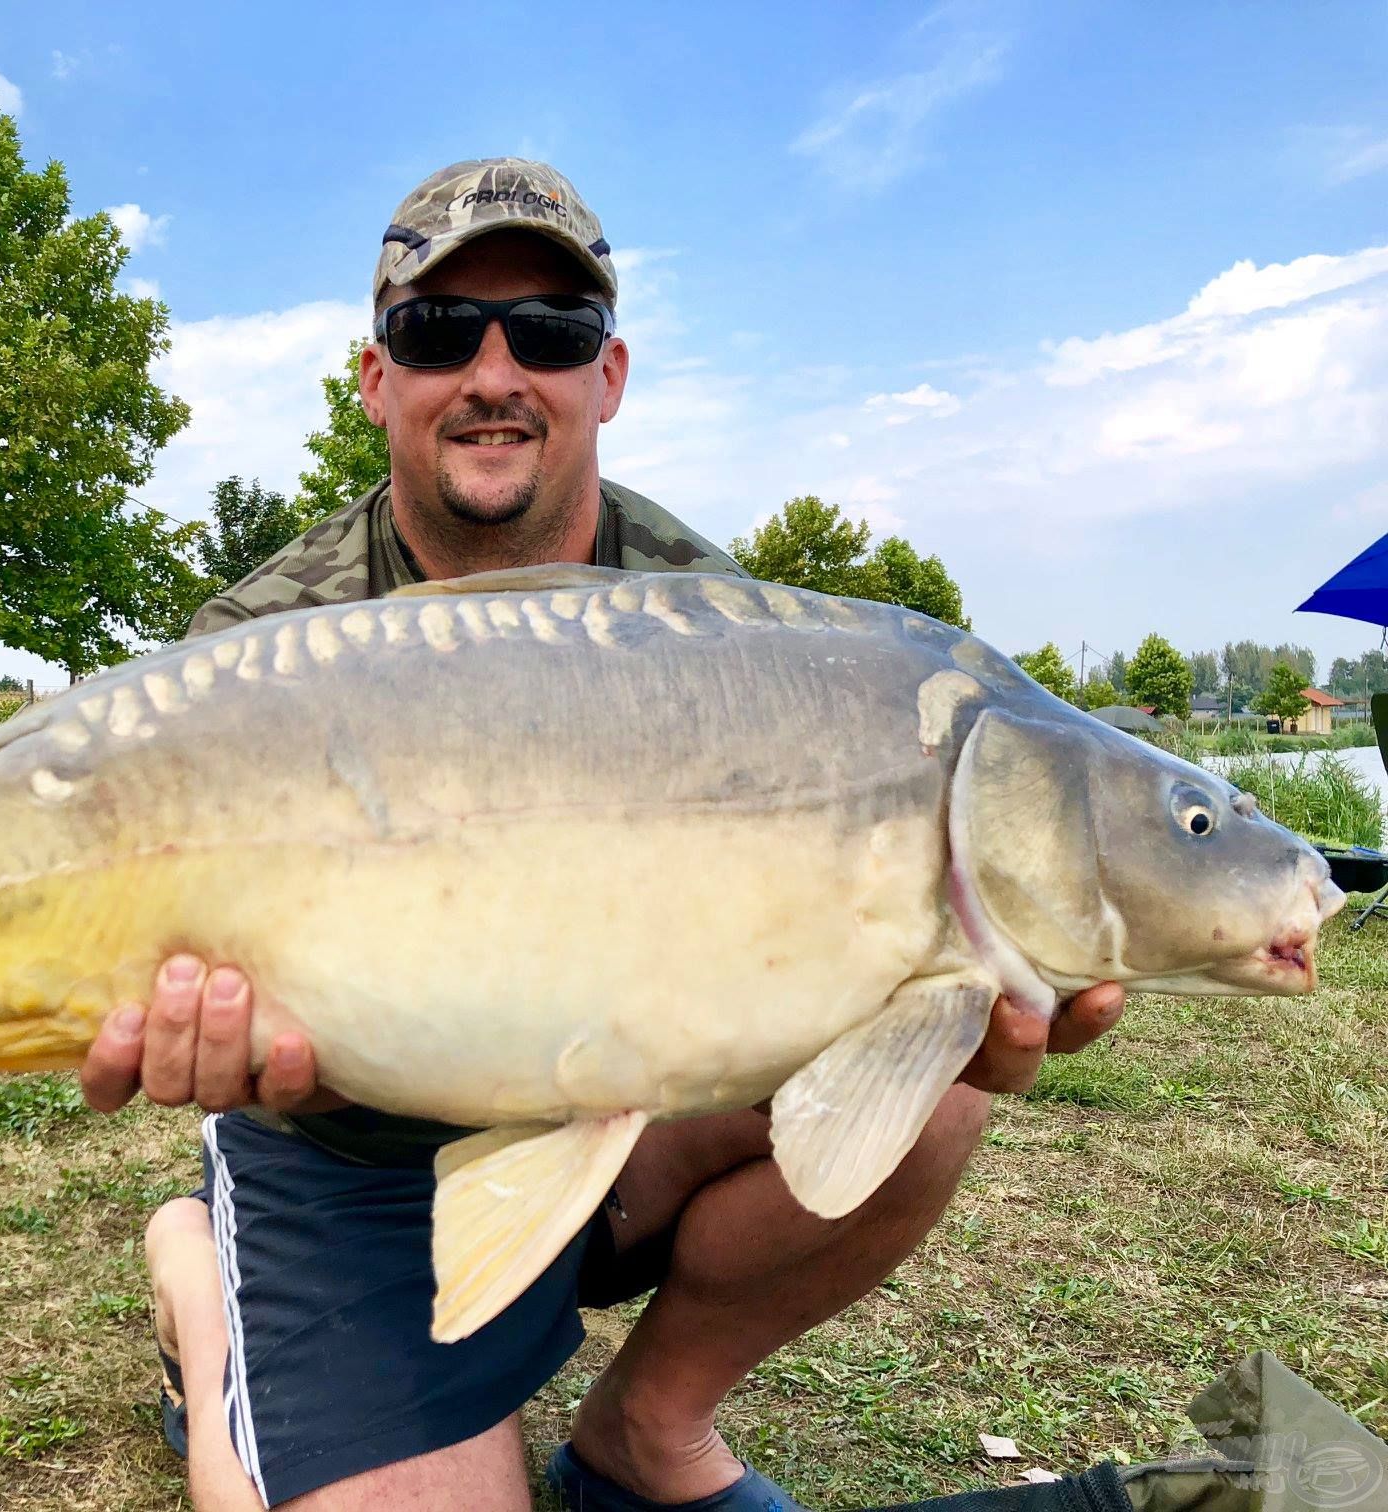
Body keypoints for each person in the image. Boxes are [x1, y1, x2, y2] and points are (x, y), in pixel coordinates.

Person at [77, 158, 1126, 1512]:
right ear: (377, 378)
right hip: (352, 1151)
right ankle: (199, 1279)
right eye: (442, 330)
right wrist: (261, 1051)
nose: (497, 371)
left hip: (615, 1114)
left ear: (608, 374)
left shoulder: (722, 628)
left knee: (937, 1066)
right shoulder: (259, 651)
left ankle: (652, 1427)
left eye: (551, 333)